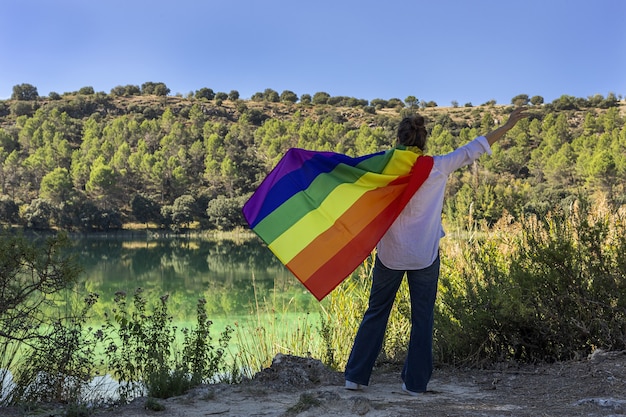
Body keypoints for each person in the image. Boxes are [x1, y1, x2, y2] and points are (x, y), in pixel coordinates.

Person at [344, 107, 529, 396]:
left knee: (376, 312)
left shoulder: (383, 165)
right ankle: (415, 384)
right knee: (423, 318)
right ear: (423, 141)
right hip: (424, 255)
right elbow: (475, 148)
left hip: (390, 255)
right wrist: (507, 125)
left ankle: (355, 377)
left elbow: (348, 172)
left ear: (399, 139)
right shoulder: (437, 167)